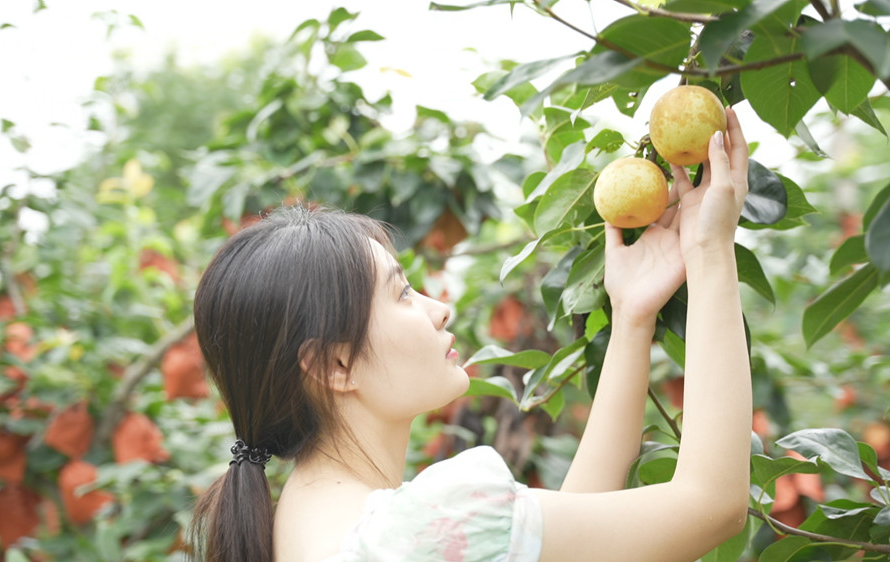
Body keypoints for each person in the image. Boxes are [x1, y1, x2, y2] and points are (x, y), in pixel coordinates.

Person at [188, 107, 753, 561]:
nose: (439, 309)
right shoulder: (426, 525)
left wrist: (631, 319)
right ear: (336, 366)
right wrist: (708, 247)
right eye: (402, 293)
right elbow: (712, 504)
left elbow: (570, 539)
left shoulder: (297, 529)